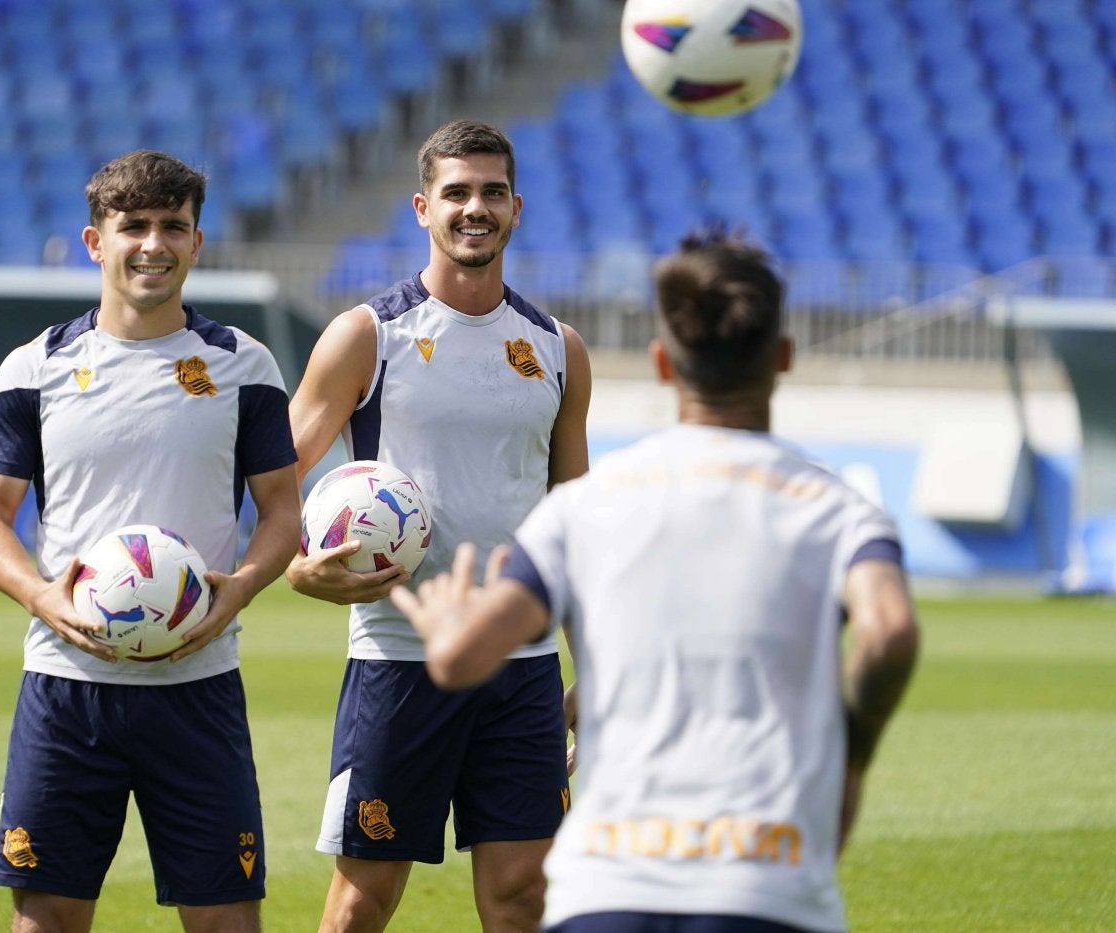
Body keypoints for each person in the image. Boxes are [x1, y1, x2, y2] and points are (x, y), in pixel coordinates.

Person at [393, 228, 921, 932]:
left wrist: (447, 626)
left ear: (663, 363)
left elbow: (466, 655)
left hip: (606, 886)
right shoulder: (840, 507)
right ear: (784, 357)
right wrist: (852, 758)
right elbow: (889, 631)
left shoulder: (585, 505)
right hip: (764, 886)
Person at [0, 149, 300, 933]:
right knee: (46, 916)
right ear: (95, 241)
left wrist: (241, 588)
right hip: (66, 685)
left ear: (196, 242)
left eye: (172, 227)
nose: (154, 243)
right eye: (134, 226)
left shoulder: (244, 366)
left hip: (199, 685)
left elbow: (282, 511)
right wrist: (43, 595)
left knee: (225, 920)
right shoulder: (34, 368)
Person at [286, 120, 593, 932]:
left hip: (522, 663)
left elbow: (581, 522)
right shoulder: (368, 335)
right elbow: (273, 475)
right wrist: (296, 566)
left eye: (492, 192)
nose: (475, 208)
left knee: (524, 894)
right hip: (399, 654)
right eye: (456, 192)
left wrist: (597, 665)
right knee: (363, 897)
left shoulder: (558, 349)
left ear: (517, 208)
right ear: (423, 207)